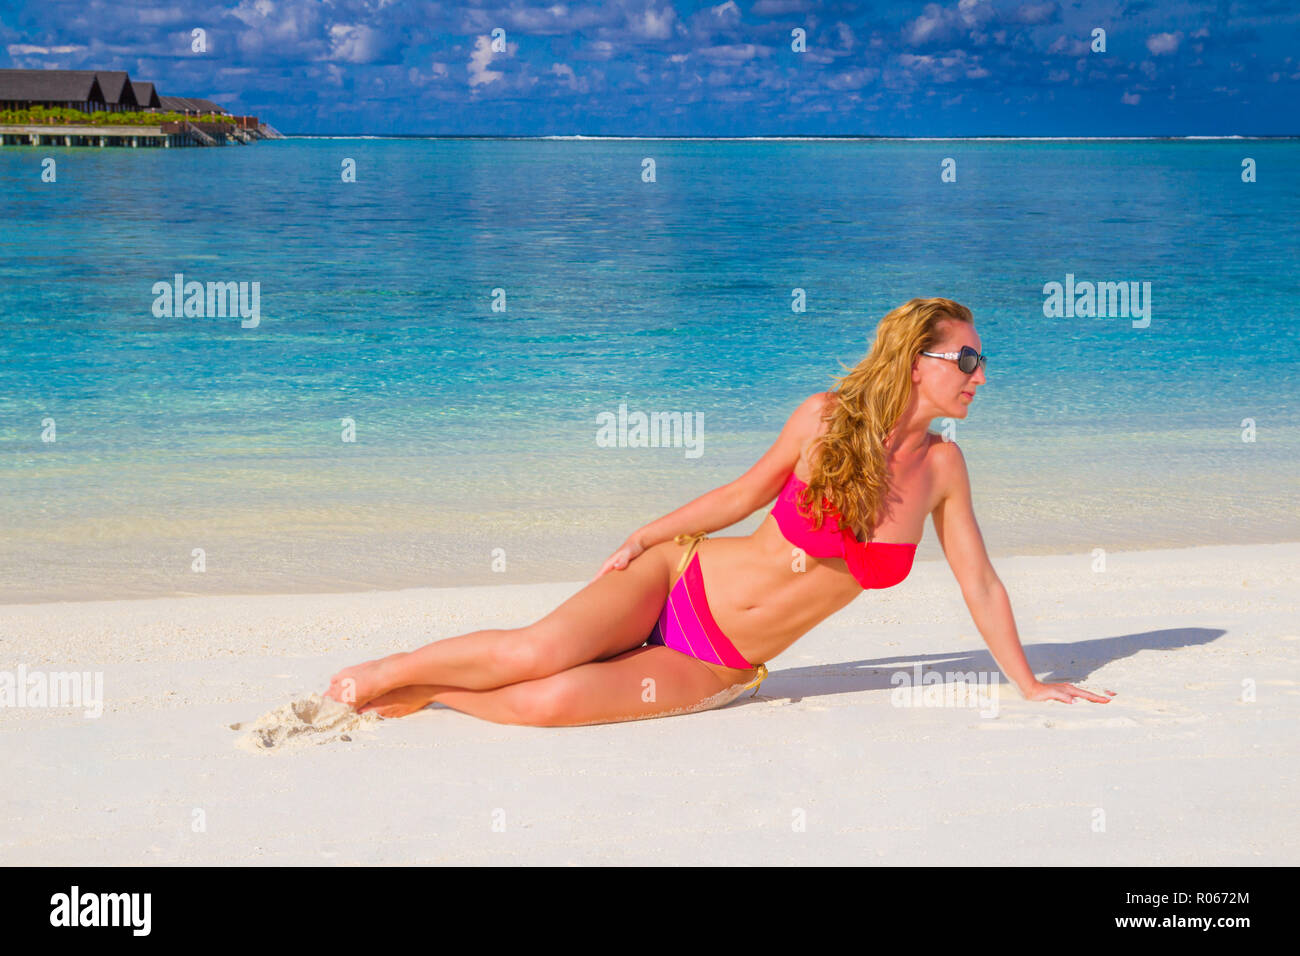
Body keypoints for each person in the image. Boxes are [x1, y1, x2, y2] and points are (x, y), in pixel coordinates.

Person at [324, 297, 1114, 724]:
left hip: (719, 661)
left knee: (553, 701)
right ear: (917, 364)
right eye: (967, 360)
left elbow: (978, 584)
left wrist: (1029, 684)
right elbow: (741, 496)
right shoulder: (825, 418)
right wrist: (646, 535)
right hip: (679, 578)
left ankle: (433, 695)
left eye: (982, 362)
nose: (980, 375)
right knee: (534, 653)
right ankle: (387, 670)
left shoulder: (943, 468)